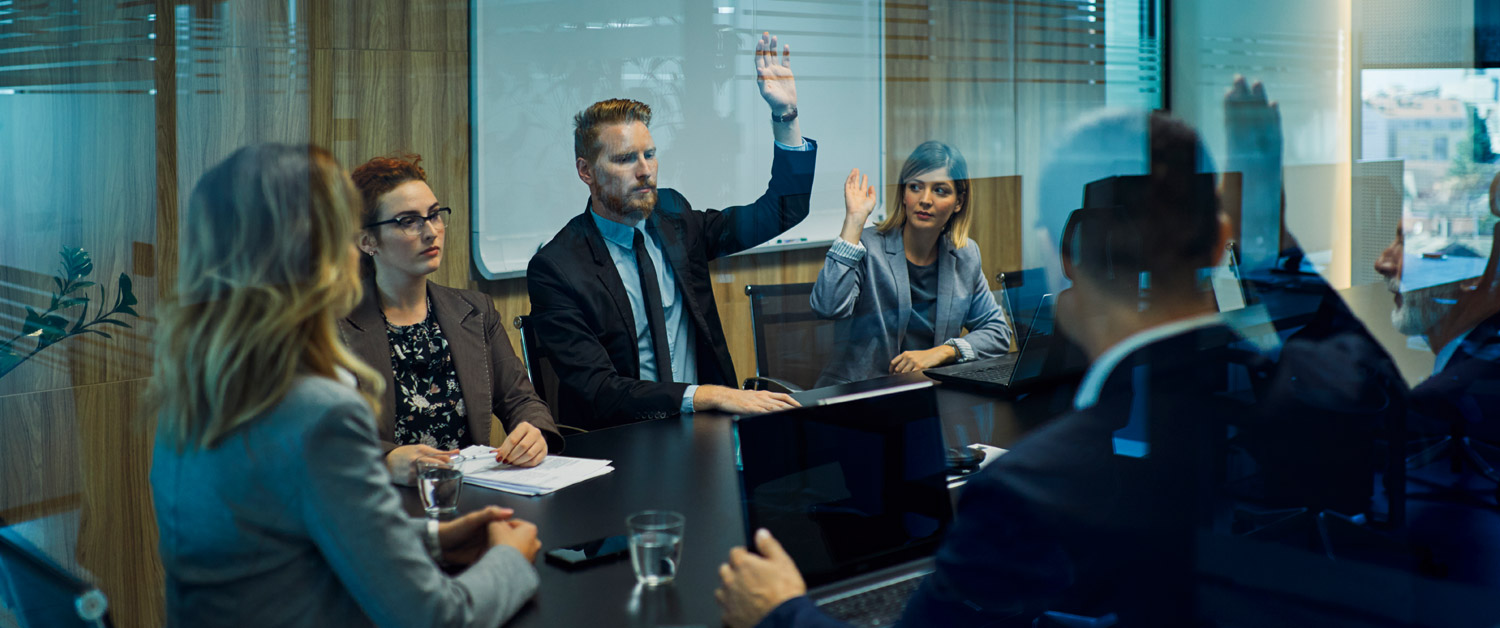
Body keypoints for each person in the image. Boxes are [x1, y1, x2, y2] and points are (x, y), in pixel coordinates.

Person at [148, 144, 542, 627]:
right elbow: (435, 618)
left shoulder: (195, 391)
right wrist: (510, 557)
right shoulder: (318, 413)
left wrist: (434, 538)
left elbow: (288, 546)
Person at [526, 32, 815, 430]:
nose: (645, 170)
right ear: (586, 171)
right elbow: (598, 390)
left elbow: (783, 211)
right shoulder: (557, 268)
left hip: (706, 433)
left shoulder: (674, 218)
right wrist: (705, 394)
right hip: (624, 444)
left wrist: (786, 118)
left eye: (650, 154)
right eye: (626, 159)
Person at [341, 153, 561, 482]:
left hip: (471, 493)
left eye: (434, 215)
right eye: (408, 221)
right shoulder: (334, 327)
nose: (431, 232)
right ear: (368, 240)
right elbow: (319, 441)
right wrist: (384, 462)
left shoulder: (475, 311)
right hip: (385, 502)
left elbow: (521, 400)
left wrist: (534, 431)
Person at [810, 142, 1012, 386]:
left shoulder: (965, 255)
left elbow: (997, 332)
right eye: (915, 187)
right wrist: (854, 221)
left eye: (940, 190)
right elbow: (828, 307)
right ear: (904, 195)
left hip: (927, 393)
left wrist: (944, 352)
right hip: (860, 395)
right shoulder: (866, 247)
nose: (925, 200)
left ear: (958, 202)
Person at [1375, 172, 1500, 446]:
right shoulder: (1474, 354)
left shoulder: (1462, 382)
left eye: (1409, 245)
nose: (1382, 263)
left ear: (1475, 275)